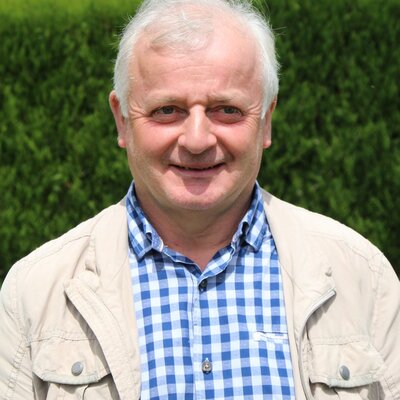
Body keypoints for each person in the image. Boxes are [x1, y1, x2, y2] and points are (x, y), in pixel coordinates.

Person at [1, 0, 399, 398]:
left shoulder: (363, 279)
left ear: (266, 120)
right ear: (122, 120)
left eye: (227, 110)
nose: (197, 140)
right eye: (167, 110)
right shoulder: (34, 293)